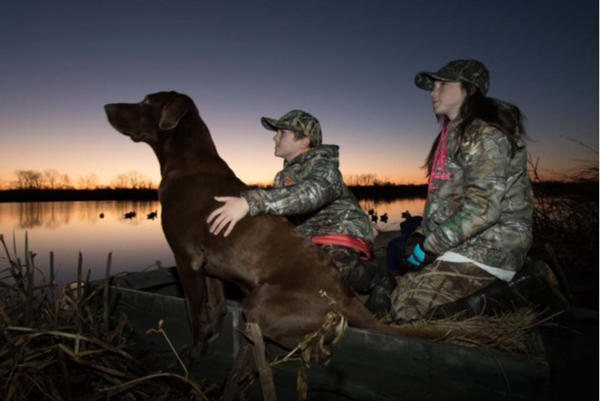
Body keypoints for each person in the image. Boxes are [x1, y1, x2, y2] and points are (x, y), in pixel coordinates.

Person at [207, 109, 395, 317]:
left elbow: (312, 193)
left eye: (282, 133)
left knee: (327, 276)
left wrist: (250, 202)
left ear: (303, 141)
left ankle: (380, 278)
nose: (274, 137)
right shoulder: (283, 177)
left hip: (340, 238)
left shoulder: (324, 165)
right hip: (306, 243)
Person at [390, 59, 535, 321]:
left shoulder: (486, 133)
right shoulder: (453, 134)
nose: (434, 91)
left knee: (408, 308)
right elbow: (446, 202)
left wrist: (429, 245)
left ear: (470, 89)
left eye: (443, 84)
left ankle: (515, 295)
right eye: (433, 85)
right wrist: (420, 235)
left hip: (491, 247)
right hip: (463, 245)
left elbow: (483, 210)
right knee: (401, 289)